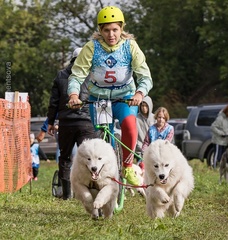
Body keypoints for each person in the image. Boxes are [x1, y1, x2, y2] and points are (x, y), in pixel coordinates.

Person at [67, 6, 153, 186]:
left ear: (121, 28)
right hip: (99, 99)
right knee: (101, 136)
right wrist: (74, 94)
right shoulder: (91, 48)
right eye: (106, 30)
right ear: (100, 30)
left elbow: (145, 76)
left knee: (130, 126)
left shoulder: (130, 46)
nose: (111, 34)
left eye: (115, 29)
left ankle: (128, 166)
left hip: (125, 97)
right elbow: (77, 75)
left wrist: (139, 93)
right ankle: (100, 172)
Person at [47, 47, 96, 200]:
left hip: (66, 122)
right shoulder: (92, 75)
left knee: (65, 157)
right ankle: (89, 190)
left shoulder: (61, 75)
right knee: (90, 157)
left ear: (72, 58)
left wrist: (50, 121)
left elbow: (53, 102)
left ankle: (67, 194)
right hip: (87, 122)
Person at [211, 104, 228, 168]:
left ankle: (220, 167)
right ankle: (214, 167)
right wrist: (221, 133)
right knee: (217, 154)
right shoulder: (220, 118)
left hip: (224, 140)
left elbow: (227, 130)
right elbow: (213, 127)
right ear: (227, 112)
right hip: (218, 140)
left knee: (222, 155)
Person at [136, 96, 155, 168]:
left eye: (146, 106)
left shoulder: (154, 118)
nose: (144, 108)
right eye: (142, 105)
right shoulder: (136, 118)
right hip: (139, 151)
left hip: (153, 150)